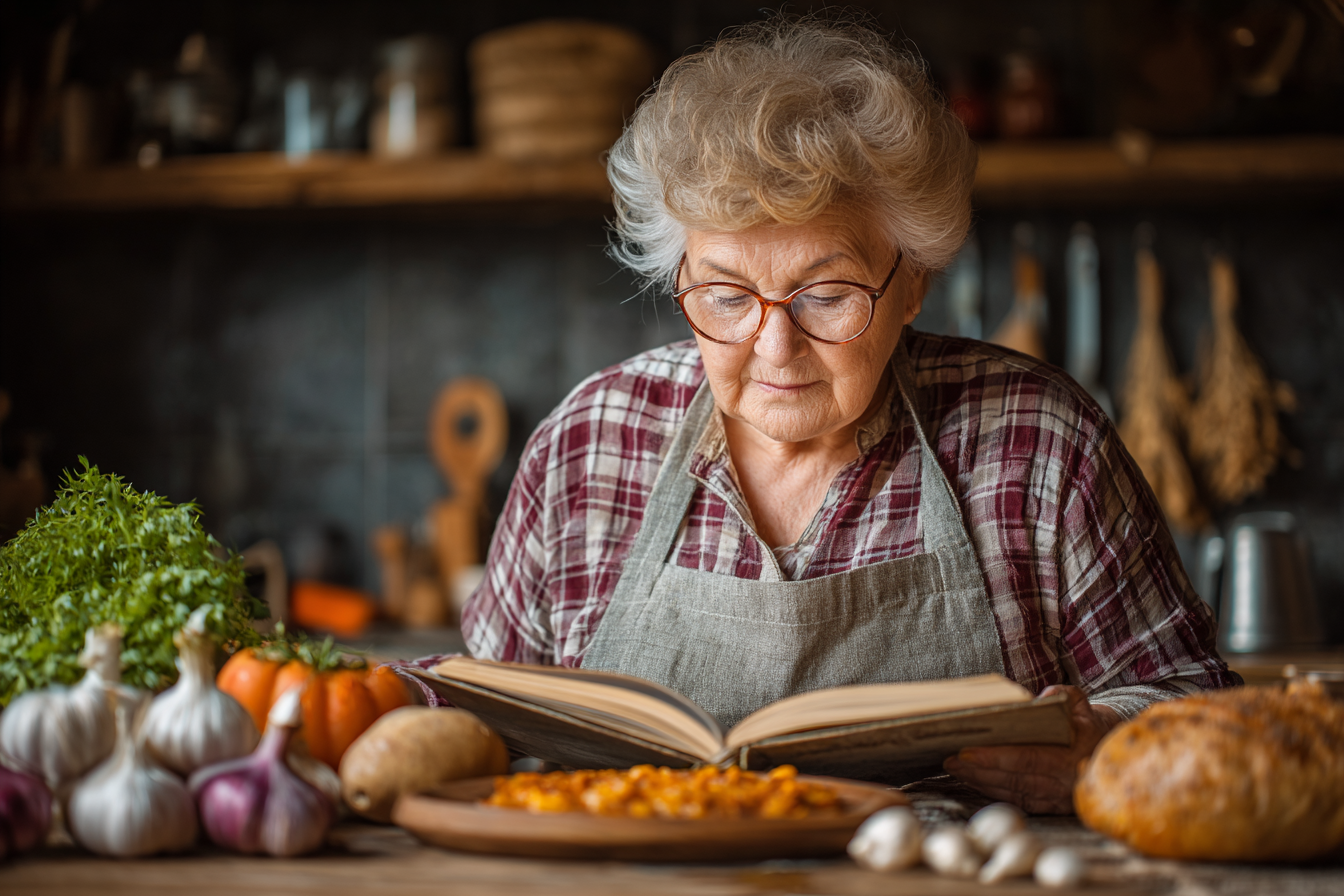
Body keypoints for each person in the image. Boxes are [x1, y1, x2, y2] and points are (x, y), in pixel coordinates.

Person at [462, 17, 1238, 813]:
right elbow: (481, 723)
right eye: (727, 297)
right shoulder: (590, 440)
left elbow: (1194, 705)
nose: (774, 347)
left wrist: (1096, 745)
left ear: (913, 284)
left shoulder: (1038, 441)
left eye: (827, 295)